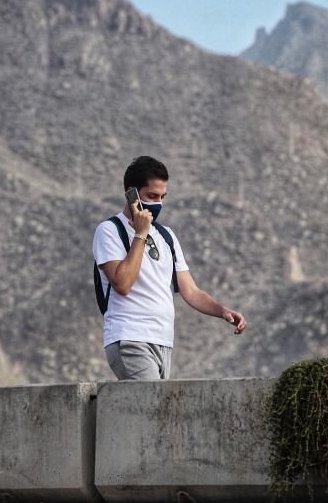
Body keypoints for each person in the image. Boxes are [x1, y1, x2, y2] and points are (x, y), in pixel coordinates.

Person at [92, 156, 247, 380]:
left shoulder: (166, 236)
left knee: (155, 412)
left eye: (162, 197)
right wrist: (140, 233)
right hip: (130, 338)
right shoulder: (109, 230)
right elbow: (123, 284)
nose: (158, 204)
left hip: (163, 341)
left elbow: (191, 291)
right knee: (153, 409)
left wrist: (222, 311)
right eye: (152, 196)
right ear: (131, 193)